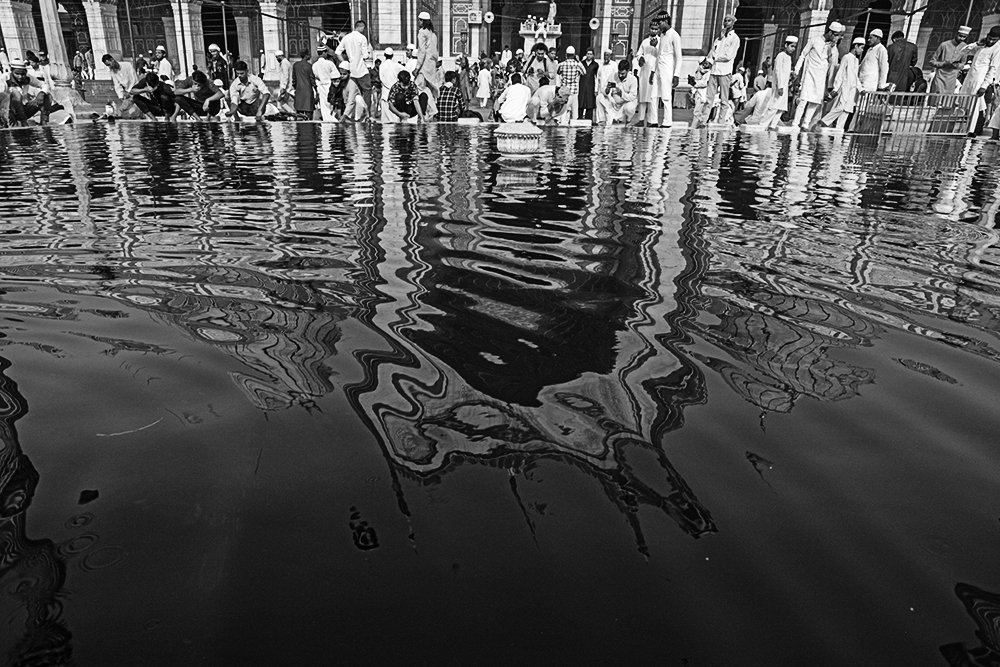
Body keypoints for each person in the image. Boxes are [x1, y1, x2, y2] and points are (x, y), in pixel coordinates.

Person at [791, 21, 844, 131]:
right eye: (835, 35)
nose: (836, 38)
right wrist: (797, 70)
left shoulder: (833, 48)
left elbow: (832, 65)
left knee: (815, 101)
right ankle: (795, 124)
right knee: (803, 100)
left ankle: (805, 123)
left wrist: (832, 48)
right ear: (830, 32)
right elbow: (803, 55)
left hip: (820, 77)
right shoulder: (815, 40)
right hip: (809, 74)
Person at [961, 25, 1000, 135]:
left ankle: (973, 131)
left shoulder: (997, 49)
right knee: (966, 105)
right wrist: (977, 44)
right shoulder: (982, 46)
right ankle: (964, 129)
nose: (991, 41)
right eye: (990, 38)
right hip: (970, 78)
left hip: (980, 80)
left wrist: (984, 85)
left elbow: (993, 69)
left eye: (994, 40)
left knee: (977, 107)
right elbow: (964, 51)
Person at [819, 36, 863, 130]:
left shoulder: (856, 60)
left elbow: (855, 77)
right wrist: (835, 88)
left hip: (853, 89)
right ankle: (825, 121)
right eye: (861, 47)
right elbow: (840, 73)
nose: (862, 50)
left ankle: (839, 130)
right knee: (841, 107)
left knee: (847, 111)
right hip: (845, 87)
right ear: (856, 46)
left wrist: (860, 88)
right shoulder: (846, 57)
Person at [706, 14, 740, 125]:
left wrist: (715, 58)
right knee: (709, 99)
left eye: (729, 21)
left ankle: (720, 122)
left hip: (725, 72)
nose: (726, 23)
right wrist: (710, 61)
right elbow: (711, 52)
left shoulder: (735, 39)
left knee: (724, 100)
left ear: (733, 22)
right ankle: (703, 120)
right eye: (725, 21)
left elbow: (728, 56)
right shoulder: (719, 39)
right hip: (714, 71)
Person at [336, 19, 375, 117]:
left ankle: (348, 115)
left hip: (352, 71)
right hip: (362, 70)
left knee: (352, 95)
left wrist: (345, 63)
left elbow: (338, 52)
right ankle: (367, 114)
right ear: (361, 27)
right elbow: (365, 56)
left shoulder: (346, 38)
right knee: (367, 92)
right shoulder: (362, 38)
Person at [2, 59, 51, 126]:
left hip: (23, 110)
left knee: (47, 96)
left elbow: (44, 85)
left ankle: (44, 122)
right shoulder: (4, 79)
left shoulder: (28, 78)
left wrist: (42, 93)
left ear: (25, 72)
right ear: (12, 71)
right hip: (8, 113)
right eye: (17, 74)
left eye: (23, 74)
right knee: (16, 94)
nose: (20, 76)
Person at [763, 35, 796, 130]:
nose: (793, 49)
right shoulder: (780, 56)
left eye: (794, 47)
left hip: (784, 86)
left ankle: (772, 125)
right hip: (779, 85)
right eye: (792, 46)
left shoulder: (788, 57)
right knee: (774, 106)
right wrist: (780, 86)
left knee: (781, 108)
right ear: (786, 45)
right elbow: (778, 71)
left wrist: (791, 74)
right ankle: (764, 124)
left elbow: (785, 71)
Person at [931, 26, 971, 94]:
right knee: (936, 97)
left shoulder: (965, 47)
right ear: (956, 34)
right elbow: (932, 62)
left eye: (964, 37)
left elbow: (963, 64)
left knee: (947, 99)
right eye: (960, 36)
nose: (961, 38)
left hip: (952, 77)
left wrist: (957, 65)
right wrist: (944, 64)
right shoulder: (944, 45)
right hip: (940, 76)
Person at [597, 59, 638, 125]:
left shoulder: (633, 79)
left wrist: (621, 93)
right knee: (599, 97)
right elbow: (603, 89)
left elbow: (633, 97)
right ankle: (602, 120)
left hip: (624, 104)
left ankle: (628, 120)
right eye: (619, 73)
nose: (620, 75)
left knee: (630, 107)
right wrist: (606, 90)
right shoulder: (613, 76)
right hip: (614, 104)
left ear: (627, 71)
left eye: (623, 74)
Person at [635, 20, 660, 126]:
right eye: (652, 28)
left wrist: (656, 46)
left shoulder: (661, 41)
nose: (653, 30)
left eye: (655, 29)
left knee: (652, 98)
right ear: (649, 29)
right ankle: (641, 120)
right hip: (644, 71)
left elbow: (663, 56)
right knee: (642, 97)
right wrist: (640, 58)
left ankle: (652, 121)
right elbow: (639, 53)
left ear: (658, 30)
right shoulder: (645, 41)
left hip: (654, 72)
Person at [414, 11, 440, 102]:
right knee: (431, 89)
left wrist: (417, 68)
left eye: (420, 20)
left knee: (419, 88)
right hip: (431, 64)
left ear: (423, 21)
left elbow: (422, 51)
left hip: (424, 65)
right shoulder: (433, 34)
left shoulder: (422, 32)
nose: (419, 22)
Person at [556, 46, 585, 121]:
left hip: (564, 92)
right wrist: (578, 61)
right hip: (574, 92)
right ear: (574, 55)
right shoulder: (577, 64)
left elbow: (558, 73)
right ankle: (573, 131)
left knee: (563, 113)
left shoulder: (561, 64)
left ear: (566, 55)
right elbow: (584, 72)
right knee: (574, 114)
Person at [312, 44, 339, 121]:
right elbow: (336, 75)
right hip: (330, 86)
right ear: (323, 53)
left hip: (321, 88)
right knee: (331, 106)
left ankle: (327, 122)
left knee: (324, 107)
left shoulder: (314, 65)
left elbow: (315, 77)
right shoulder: (329, 63)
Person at [858, 28, 889, 93]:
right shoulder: (869, 49)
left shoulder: (881, 50)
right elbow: (864, 64)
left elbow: (884, 68)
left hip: (870, 84)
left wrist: (881, 86)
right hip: (862, 81)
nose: (868, 40)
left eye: (871, 38)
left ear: (877, 38)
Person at [379, 48, 404, 122]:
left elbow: (382, 79)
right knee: (394, 117)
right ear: (392, 55)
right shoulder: (396, 65)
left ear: (384, 55)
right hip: (395, 92)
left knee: (385, 118)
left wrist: (388, 86)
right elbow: (405, 71)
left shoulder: (382, 66)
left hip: (386, 92)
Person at [292, 48, 316, 120]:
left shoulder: (295, 65)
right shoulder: (309, 66)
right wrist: (316, 89)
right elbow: (312, 80)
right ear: (306, 55)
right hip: (308, 92)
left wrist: (296, 88)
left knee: (299, 115)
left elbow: (294, 80)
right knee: (309, 114)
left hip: (299, 91)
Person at [595, 49, 617, 124]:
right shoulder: (601, 65)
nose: (606, 57)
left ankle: (609, 123)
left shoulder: (614, 65)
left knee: (609, 107)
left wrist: (613, 89)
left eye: (607, 55)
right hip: (601, 89)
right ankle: (600, 121)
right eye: (604, 55)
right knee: (599, 103)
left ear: (610, 56)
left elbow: (616, 78)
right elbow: (598, 78)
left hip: (610, 90)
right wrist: (596, 89)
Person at [689, 59, 713, 127]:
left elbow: (705, 83)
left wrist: (695, 84)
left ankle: (699, 125)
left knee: (699, 111)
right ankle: (696, 125)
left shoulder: (709, 73)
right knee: (697, 111)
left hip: (704, 94)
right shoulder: (699, 71)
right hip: (698, 93)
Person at [579, 48, 599, 122]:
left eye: (591, 54)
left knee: (589, 104)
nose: (589, 55)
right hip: (582, 86)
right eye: (588, 54)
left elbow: (596, 77)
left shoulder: (595, 65)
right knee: (580, 103)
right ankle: (579, 120)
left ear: (593, 55)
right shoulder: (582, 63)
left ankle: (589, 122)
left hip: (590, 87)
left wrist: (596, 89)